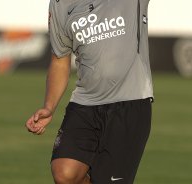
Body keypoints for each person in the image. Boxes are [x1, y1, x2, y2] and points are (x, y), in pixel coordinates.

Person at [26, 0, 153, 183]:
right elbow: (60, 60)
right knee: (64, 174)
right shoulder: (59, 4)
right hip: (85, 103)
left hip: (129, 104)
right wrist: (49, 106)